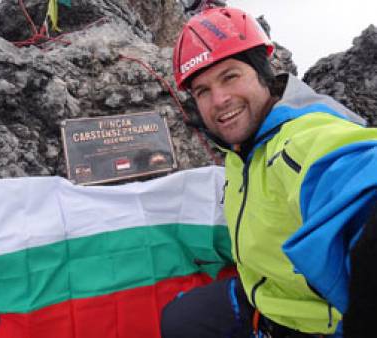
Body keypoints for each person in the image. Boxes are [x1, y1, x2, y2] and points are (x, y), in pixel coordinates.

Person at [160, 6, 377, 338]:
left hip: (314, 324)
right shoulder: (240, 149)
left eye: (230, 76)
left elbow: (354, 174)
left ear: (264, 73)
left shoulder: (300, 139)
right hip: (262, 299)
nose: (218, 100)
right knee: (178, 318)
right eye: (202, 91)